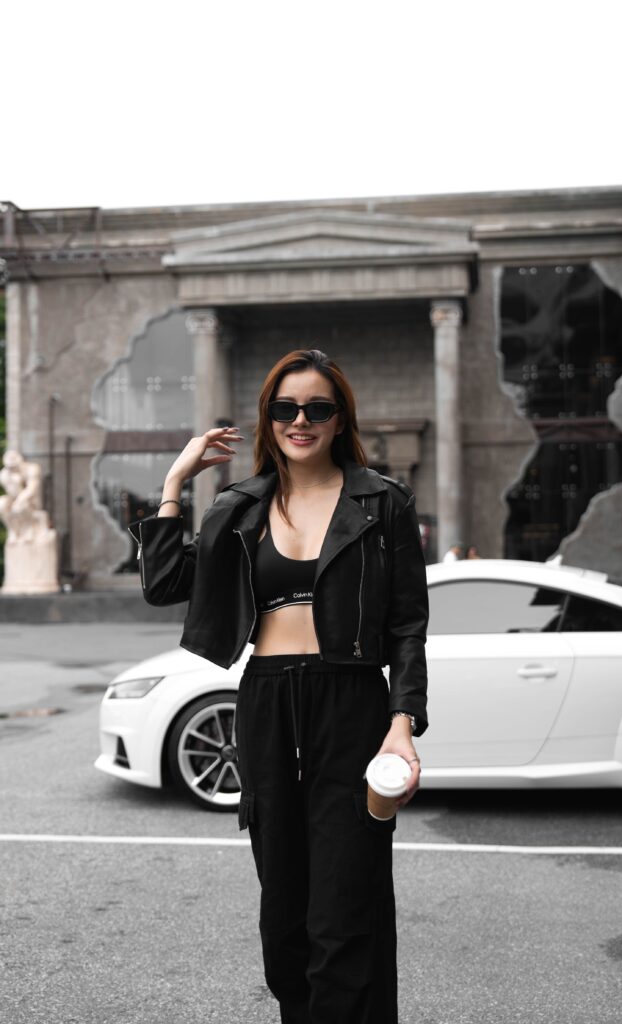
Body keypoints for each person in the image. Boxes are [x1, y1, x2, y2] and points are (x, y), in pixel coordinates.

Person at [131, 348, 429, 1024]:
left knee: (343, 907)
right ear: (268, 419)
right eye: (285, 408)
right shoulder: (238, 508)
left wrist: (401, 721)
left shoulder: (381, 502)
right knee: (284, 916)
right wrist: (178, 478)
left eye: (317, 408)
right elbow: (163, 585)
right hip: (265, 704)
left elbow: (409, 623)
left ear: (338, 418)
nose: (301, 420)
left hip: (350, 702)